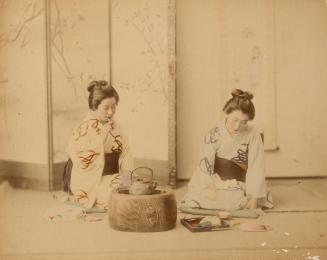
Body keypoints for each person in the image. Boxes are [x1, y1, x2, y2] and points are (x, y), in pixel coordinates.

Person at [180, 89, 273, 211]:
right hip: (216, 181)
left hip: (242, 182)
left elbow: (256, 166)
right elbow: (205, 165)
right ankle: (235, 202)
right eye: (235, 120)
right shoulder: (214, 134)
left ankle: (241, 200)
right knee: (198, 196)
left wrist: (254, 198)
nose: (237, 126)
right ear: (227, 113)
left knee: (240, 197)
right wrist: (210, 186)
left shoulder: (253, 134)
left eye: (243, 122)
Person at [62, 80, 133, 209]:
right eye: (106, 108)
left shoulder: (118, 128)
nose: (111, 112)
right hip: (87, 177)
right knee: (115, 195)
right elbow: (82, 161)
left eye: (114, 107)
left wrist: (126, 179)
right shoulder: (82, 129)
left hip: (112, 175)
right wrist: (101, 138)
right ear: (95, 106)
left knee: (133, 186)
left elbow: (126, 154)